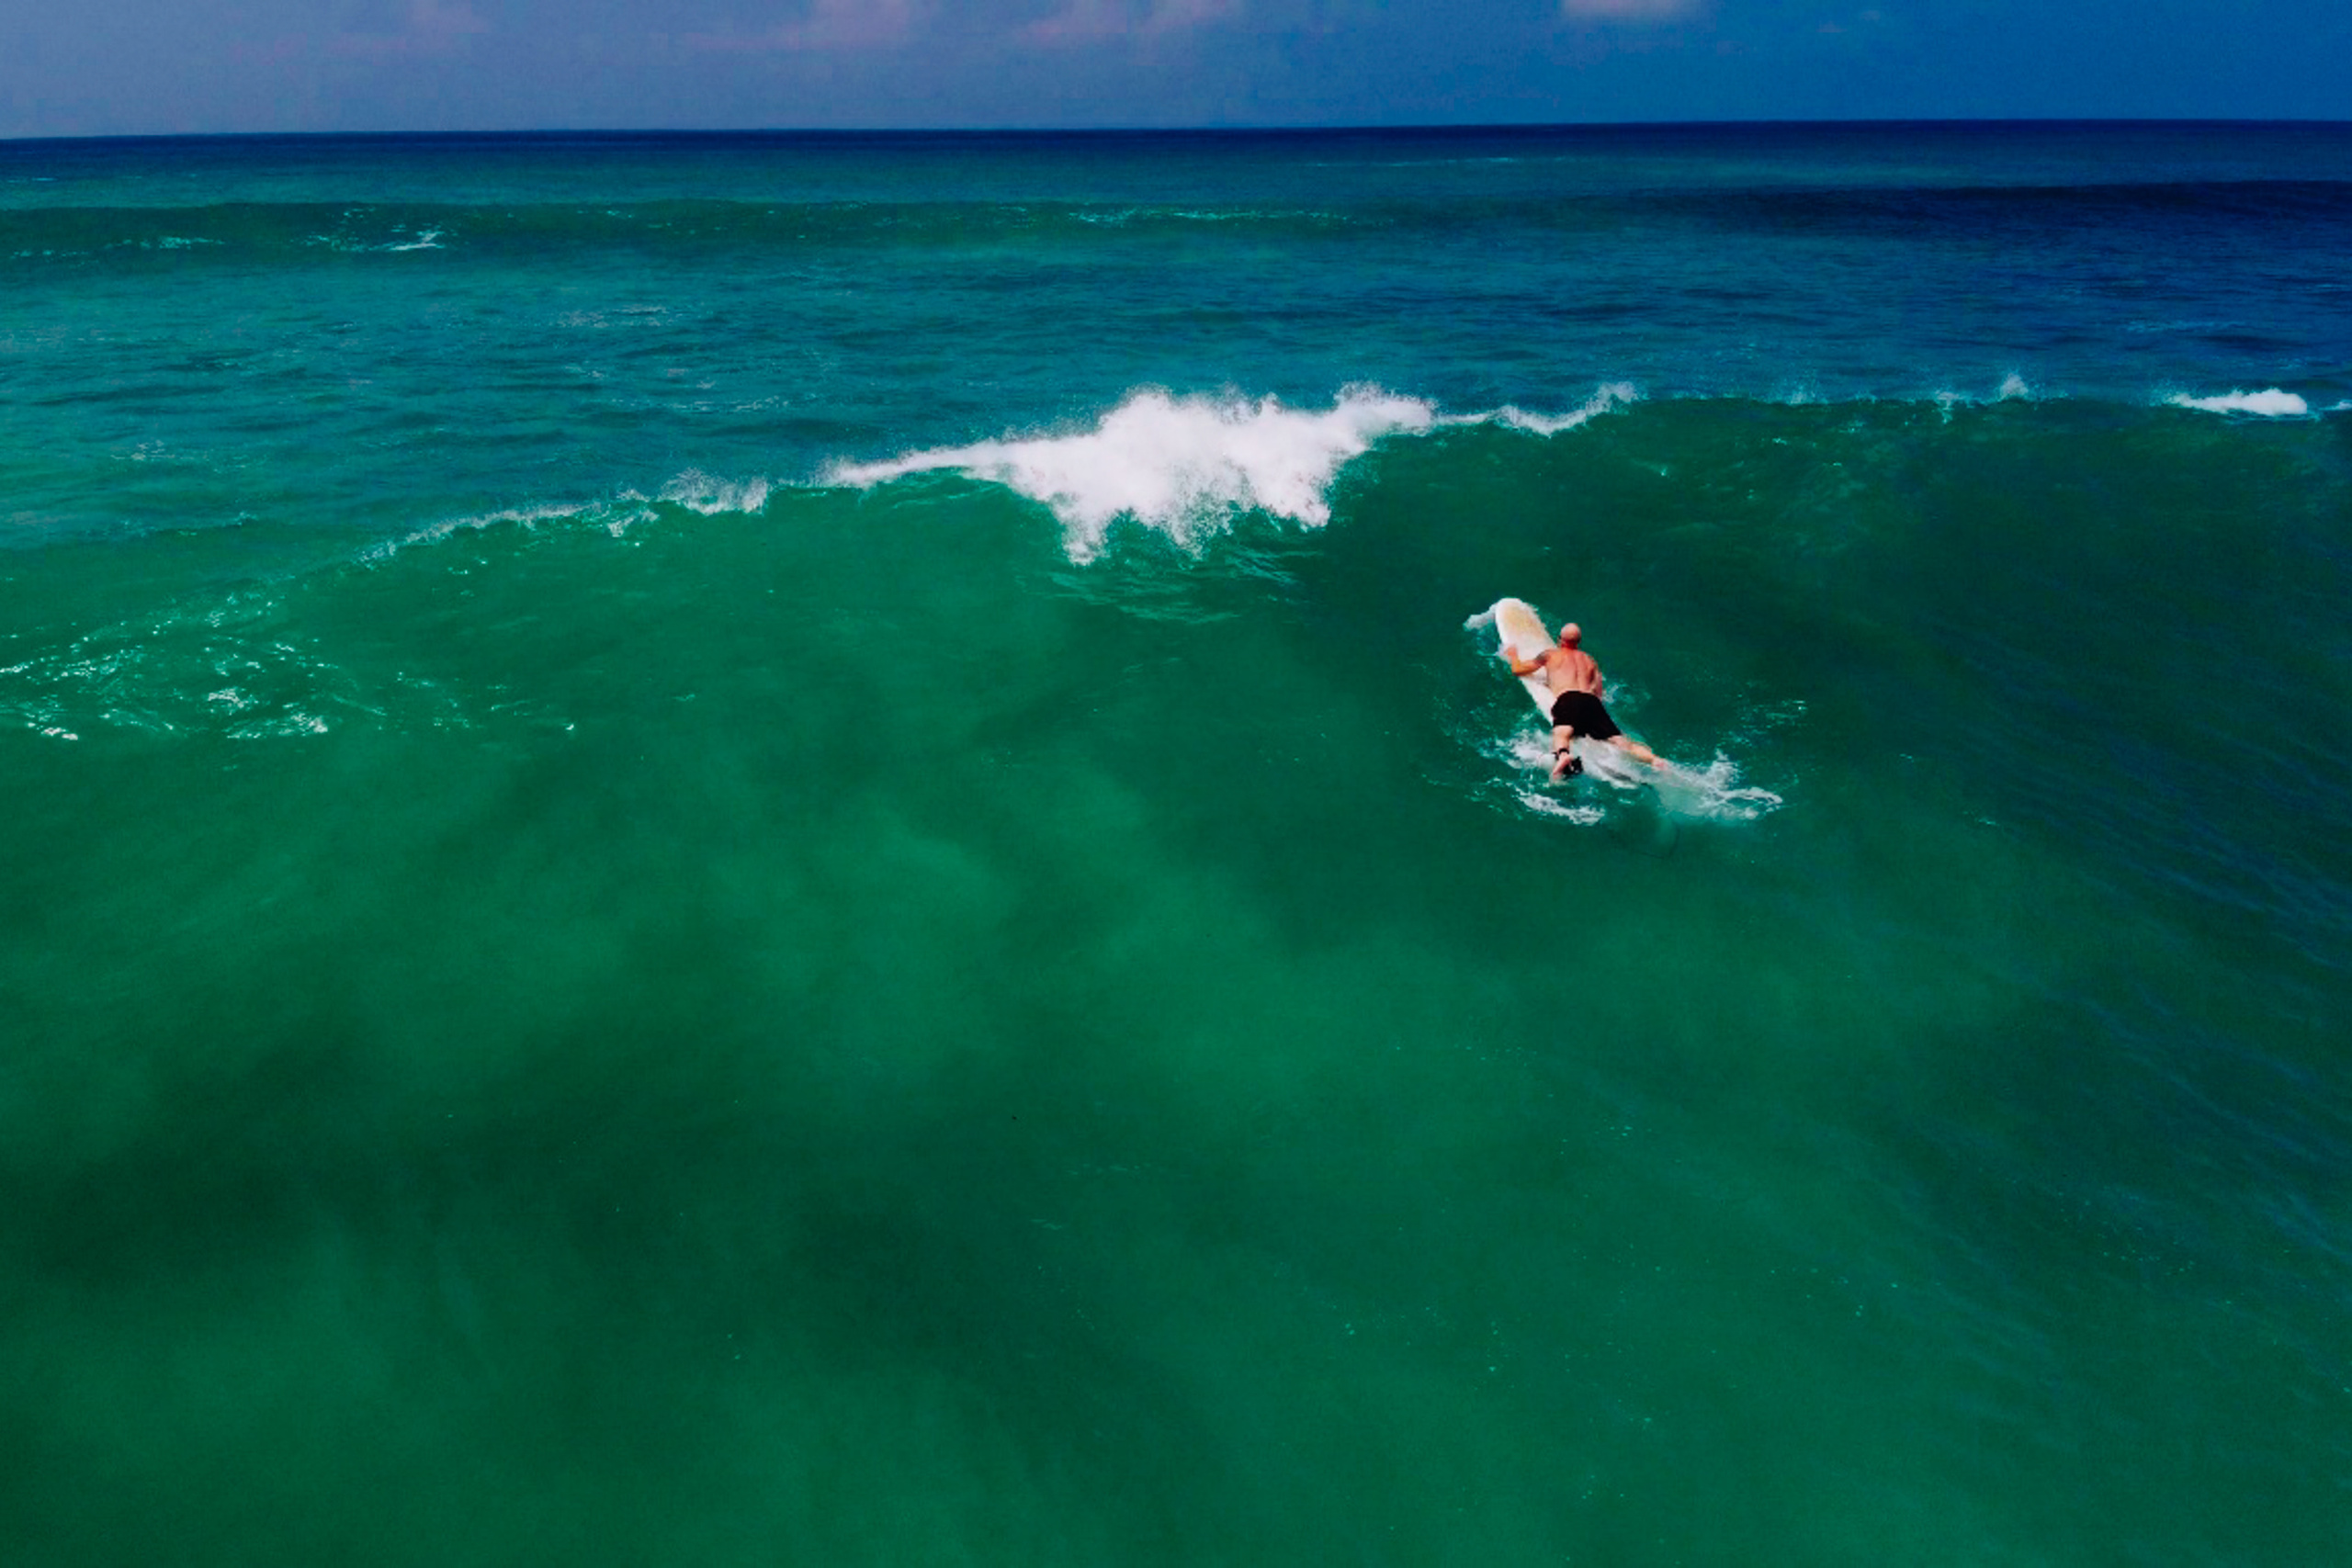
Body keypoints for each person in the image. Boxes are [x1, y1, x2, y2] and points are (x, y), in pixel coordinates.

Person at [1501, 621, 1662, 781]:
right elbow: (1598, 693)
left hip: (1568, 698)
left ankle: (1563, 755)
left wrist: (1513, 655)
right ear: (1578, 642)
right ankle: (1654, 759)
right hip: (1592, 702)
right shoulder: (1590, 660)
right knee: (1621, 741)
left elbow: (1518, 670)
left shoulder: (1550, 655)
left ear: (1560, 639)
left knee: (1562, 733)